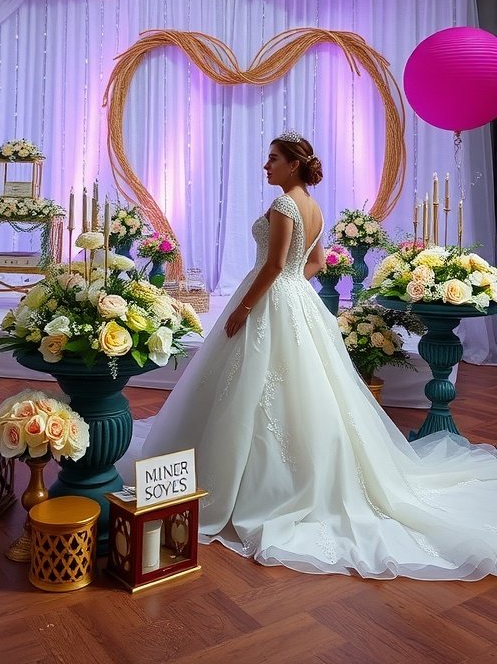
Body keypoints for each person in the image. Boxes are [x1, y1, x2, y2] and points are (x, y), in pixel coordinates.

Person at [124, 131, 497, 580]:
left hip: (270, 299)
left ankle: (247, 483)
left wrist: (243, 308)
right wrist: (294, 287)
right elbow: (315, 262)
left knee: (254, 386)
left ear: (294, 164)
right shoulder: (314, 207)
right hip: (295, 300)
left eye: (273, 159)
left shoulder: (284, 205)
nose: (267, 166)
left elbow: (276, 265)